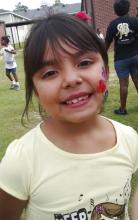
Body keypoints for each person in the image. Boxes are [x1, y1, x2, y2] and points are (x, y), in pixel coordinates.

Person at [0, 13, 138, 220]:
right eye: (49, 73)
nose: (71, 79)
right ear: (36, 90)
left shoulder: (128, 138)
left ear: (106, 70)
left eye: (84, 62)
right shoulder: (22, 160)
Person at [105, 0, 138, 115]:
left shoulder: (113, 24)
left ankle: (122, 109)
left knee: (123, 84)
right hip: (135, 55)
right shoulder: (135, 21)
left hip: (121, 59)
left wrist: (103, 55)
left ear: (115, 11)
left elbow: (107, 42)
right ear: (128, 8)